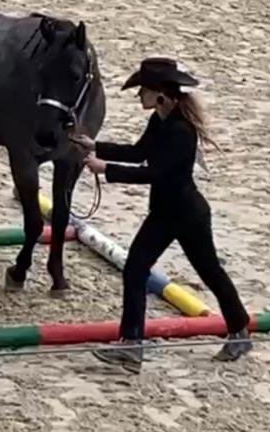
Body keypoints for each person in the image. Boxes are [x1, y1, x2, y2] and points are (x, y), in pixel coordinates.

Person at [70, 56, 253, 373]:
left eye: (142, 90)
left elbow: (155, 173)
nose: (138, 96)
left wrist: (107, 170)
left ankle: (239, 329)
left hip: (186, 215)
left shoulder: (181, 131)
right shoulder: (160, 120)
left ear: (160, 95)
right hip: (166, 212)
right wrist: (97, 147)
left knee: (210, 272)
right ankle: (132, 343)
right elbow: (138, 151)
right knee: (135, 269)